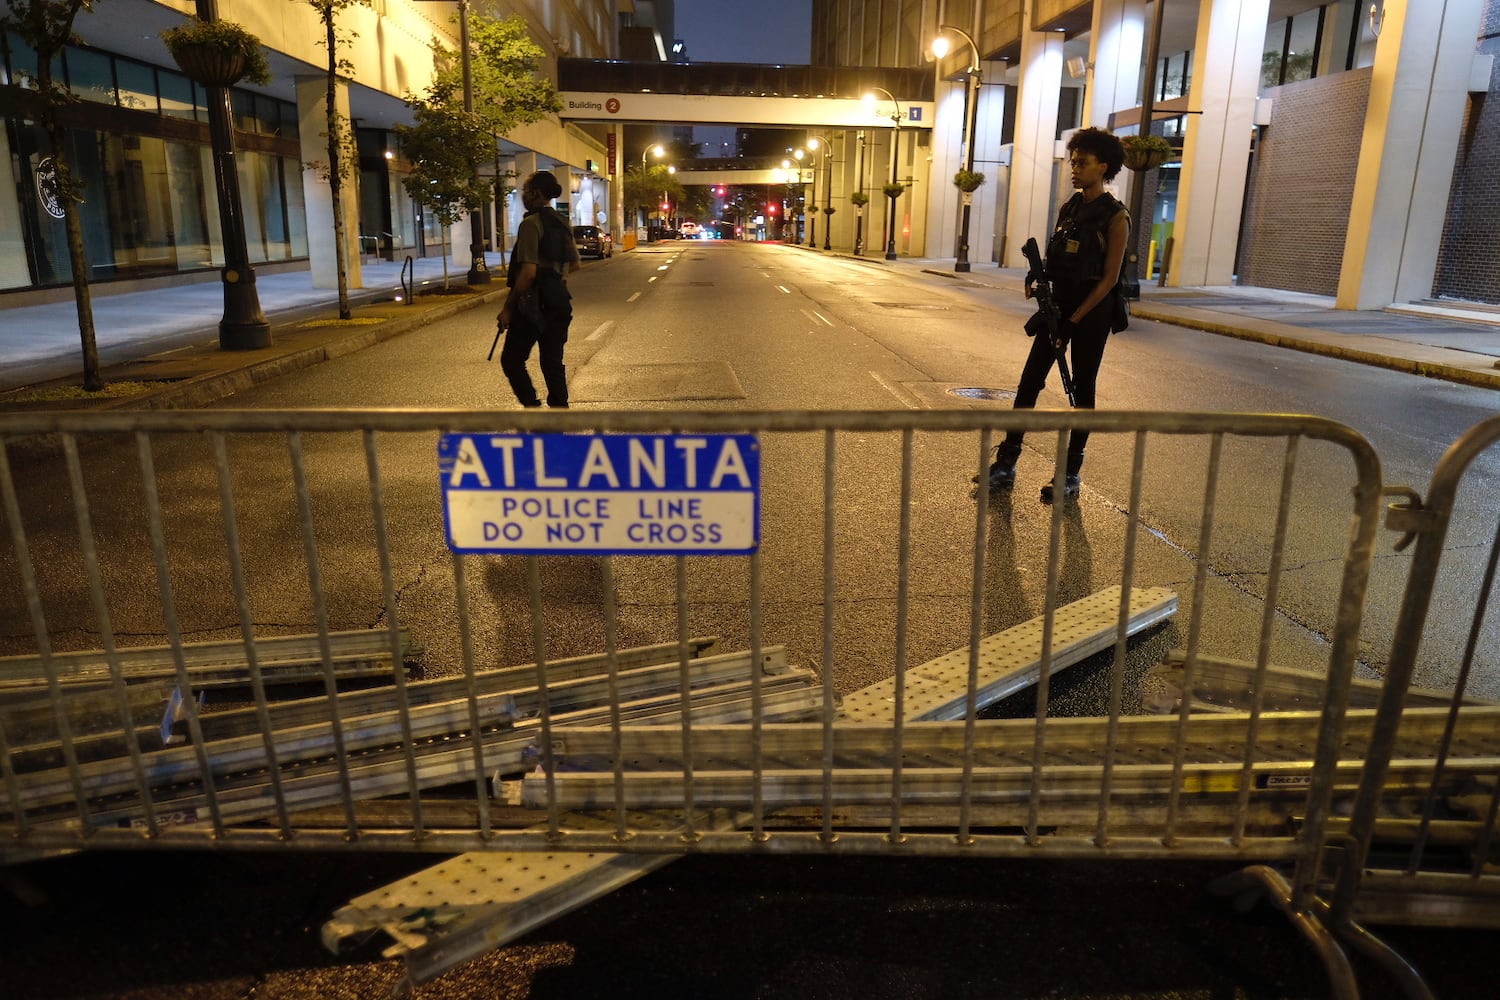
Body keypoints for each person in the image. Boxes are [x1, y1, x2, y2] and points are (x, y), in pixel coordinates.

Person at [980, 126, 1131, 503]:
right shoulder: (1071, 206)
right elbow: (1056, 255)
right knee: (1030, 382)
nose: (1074, 169)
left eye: (1082, 163)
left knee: (1082, 390)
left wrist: (1075, 319)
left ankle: (1069, 475)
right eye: (1073, 162)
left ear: (1104, 166)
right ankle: (1005, 463)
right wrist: (1037, 276)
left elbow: (1110, 279)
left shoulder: (1116, 217)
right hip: (1057, 309)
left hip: (1091, 316)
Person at [497, 170, 581, 408]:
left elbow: (527, 273)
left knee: (512, 360)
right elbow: (575, 263)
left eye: (525, 190)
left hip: (533, 306)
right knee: (553, 362)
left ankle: (532, 407)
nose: (523, 195)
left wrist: (508, 308)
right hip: (559, 302)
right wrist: (554, 278)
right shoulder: (562, 222)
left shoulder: (530, 224)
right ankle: (559, 415)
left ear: (535, 193)